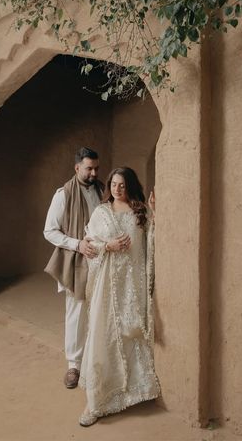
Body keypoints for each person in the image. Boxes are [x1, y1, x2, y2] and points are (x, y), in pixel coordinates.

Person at [78, 167, 161, 426]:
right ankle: (97, 401)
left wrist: (155, 213)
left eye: (123, 185)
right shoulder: (102, 213)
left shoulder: (140, 213)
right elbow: (90, 245)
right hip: (108, 287)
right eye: (114, 184)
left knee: (131, 335)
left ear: (130, 186)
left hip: (132, 288)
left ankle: (135, 391)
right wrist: (108, 246)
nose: (117, 189)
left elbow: (151, 242)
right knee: (105, 336)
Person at [43, 147, 103, 389]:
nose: (94, 173)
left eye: (96, 168)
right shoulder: (63, 194)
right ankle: (74, 366)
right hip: (77, 259)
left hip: (101, 258)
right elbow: (49, 231)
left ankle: (96, 360)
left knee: (99, 309)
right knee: (76, 313)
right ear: (77, 167)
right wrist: (77, 244)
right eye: (89, 168)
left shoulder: (101, 190)